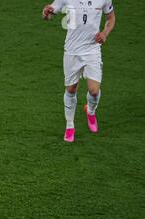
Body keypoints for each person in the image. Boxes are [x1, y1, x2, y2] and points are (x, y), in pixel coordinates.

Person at [42, 0, 115, 142]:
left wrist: (105, 33)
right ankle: (70, 126)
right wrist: (46, 13)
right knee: (71, 89)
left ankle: (91, 111)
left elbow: (111, 17)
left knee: (94, 91)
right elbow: (50, 14)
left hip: (92, 49)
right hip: (72, 51)